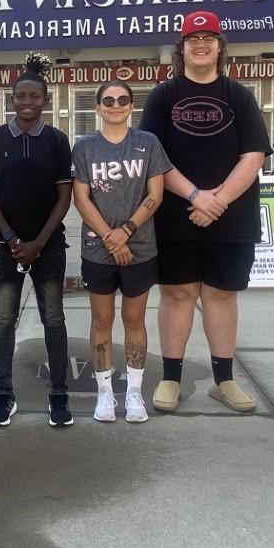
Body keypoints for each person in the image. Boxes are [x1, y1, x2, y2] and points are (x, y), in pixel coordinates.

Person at [141, 11, 271, 415]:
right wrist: (196, 195)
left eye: (209, 38)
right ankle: (170, 378)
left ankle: (224, 379)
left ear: (220, 46)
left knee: (220, 295)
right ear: (182, 48)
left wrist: (219, 200)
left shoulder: (239, 96)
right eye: (193, 38)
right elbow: (152, 156)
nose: (201, 44)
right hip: (175, 216)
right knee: (177, 294)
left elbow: (253, 156)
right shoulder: (164, 96)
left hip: (230, 216)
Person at [0, 57, 73, 428]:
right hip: (5, 248)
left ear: (45, 101)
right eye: (21, 96)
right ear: (12, 100)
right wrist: (13, 238)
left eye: (35, 96)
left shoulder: (57, 140)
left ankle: (59, 395)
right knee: (3, 321)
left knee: (54, 319)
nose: (27, 102)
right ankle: (4, 394)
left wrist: (37, 242)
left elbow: (64, 198)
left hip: (48, 248)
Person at [70, 79, 171, 424]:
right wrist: (110, 238)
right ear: (98, 107)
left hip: (140, 249)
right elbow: (81, 198)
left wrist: (125, 232)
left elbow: (155, 195)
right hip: (98, 251)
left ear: (131, 106)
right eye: (108, 100)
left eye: (123, 100)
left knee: (133, 320)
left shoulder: (148, 143)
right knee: (101, 320)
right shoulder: (85, 147)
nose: (115, 105)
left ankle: (134, 392)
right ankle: (105, 393)